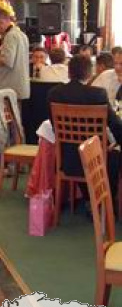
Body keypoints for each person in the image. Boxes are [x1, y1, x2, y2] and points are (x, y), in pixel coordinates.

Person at [48, 55, 122, 200]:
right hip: (96, 158)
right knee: (115, 154)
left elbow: (53, 127)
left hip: (67, 156)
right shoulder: (98, 94)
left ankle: (88, 198)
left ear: (69, 72)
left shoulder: (54, 93)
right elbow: (115, 124)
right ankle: (106, 201)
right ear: (89, 74)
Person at [0, 10, 30, 101]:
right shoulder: (22, 35)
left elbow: (8, 60)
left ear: (1, 22)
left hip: (10, 85)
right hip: (19, 84)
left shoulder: (10, 36)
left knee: (10, 110)